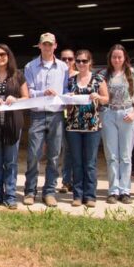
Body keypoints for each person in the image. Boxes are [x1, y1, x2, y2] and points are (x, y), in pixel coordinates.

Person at [23, 33, 69, 207]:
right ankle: (30, 191)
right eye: (44, 44)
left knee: (54, 155)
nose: (47, 47)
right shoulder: (30, 66)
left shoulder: (63, 67)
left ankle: (49, 191)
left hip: (56, 114)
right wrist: (44, 93)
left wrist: (62, 96)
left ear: (55, 46)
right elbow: (29, 92)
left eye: (50, 44)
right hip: (37, 114)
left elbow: (65, 91)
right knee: (33, 154)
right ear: (39, 46)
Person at [0, 44, 28, 209]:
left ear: (8, 56)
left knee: (11, 162)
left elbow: (26, 97)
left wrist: (16, 99)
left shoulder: (18, 76)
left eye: (2, 54)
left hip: (12, 124)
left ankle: (10, 196)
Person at [66, 50, 108, 207]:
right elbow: (66, 104)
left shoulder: (98, 79)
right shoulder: (70, 81)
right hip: (73, 126)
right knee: (76, 162)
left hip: (92, 127)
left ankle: (90, 195)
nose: (81, 64)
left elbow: (106, 99)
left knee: (90, 162)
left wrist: (99, 97)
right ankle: (77, 195)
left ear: (90, 62)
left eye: (84, 61)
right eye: (78, 61)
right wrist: (68, 100)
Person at [101, 44, 134, 204]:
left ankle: (125, 190)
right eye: (114, 57)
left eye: (119, 57)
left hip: (127, 114)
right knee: (111, 155)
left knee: (125, 156)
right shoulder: (105, 75)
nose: (117, 59)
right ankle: (113, 190)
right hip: (109, 114)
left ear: (124, 58)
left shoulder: (132, 73)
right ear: (110, 59)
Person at [58, 48, 78, 194]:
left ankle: (77, 180)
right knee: (67, 150)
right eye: (64, 59)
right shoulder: (58, 75)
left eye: (70, 59)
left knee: (77, 150)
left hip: (78, 117)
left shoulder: (79, 76)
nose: (67, 61)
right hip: (62, 116)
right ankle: (66, 181)